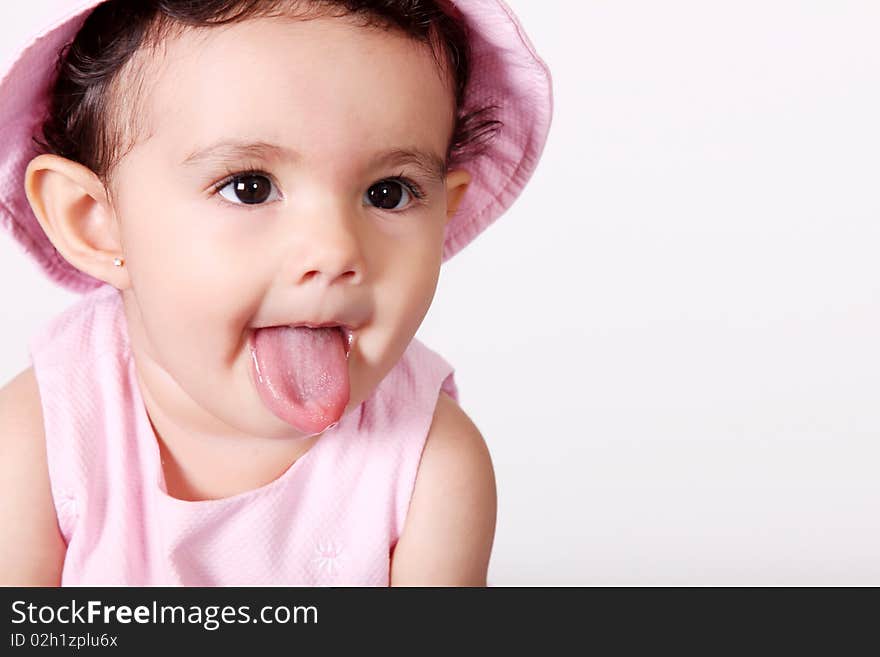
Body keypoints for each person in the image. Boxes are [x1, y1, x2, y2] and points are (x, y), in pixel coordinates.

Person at [0, 0, 552, 586]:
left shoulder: (430, 465)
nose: (335, 251)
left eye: (389, 193)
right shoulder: (41, 439)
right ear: (96, 220)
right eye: (250, 187)